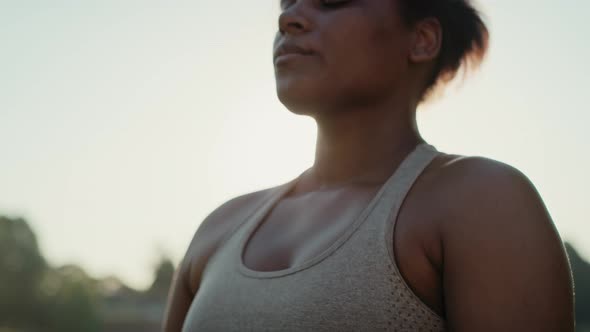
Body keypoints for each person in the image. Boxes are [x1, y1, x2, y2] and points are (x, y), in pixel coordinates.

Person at [163, 0, 575, 331]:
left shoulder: (481, 202)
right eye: (286, 3)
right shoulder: (219, 229)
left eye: (330, 1)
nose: (289, 17)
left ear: (422, 39)